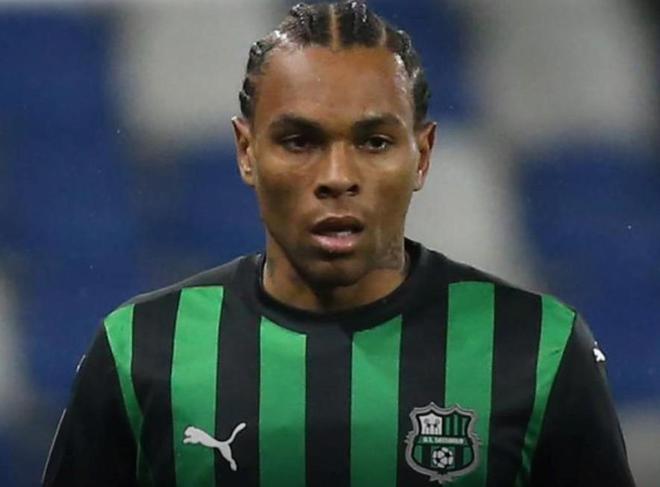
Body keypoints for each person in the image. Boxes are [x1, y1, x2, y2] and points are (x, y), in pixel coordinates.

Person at [42, 2, 635, 486]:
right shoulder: (142, 350)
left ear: (422, 155)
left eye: (374, 142)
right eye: (299, 141)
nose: (336, 176)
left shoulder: (538, 348)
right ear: (246, 152)